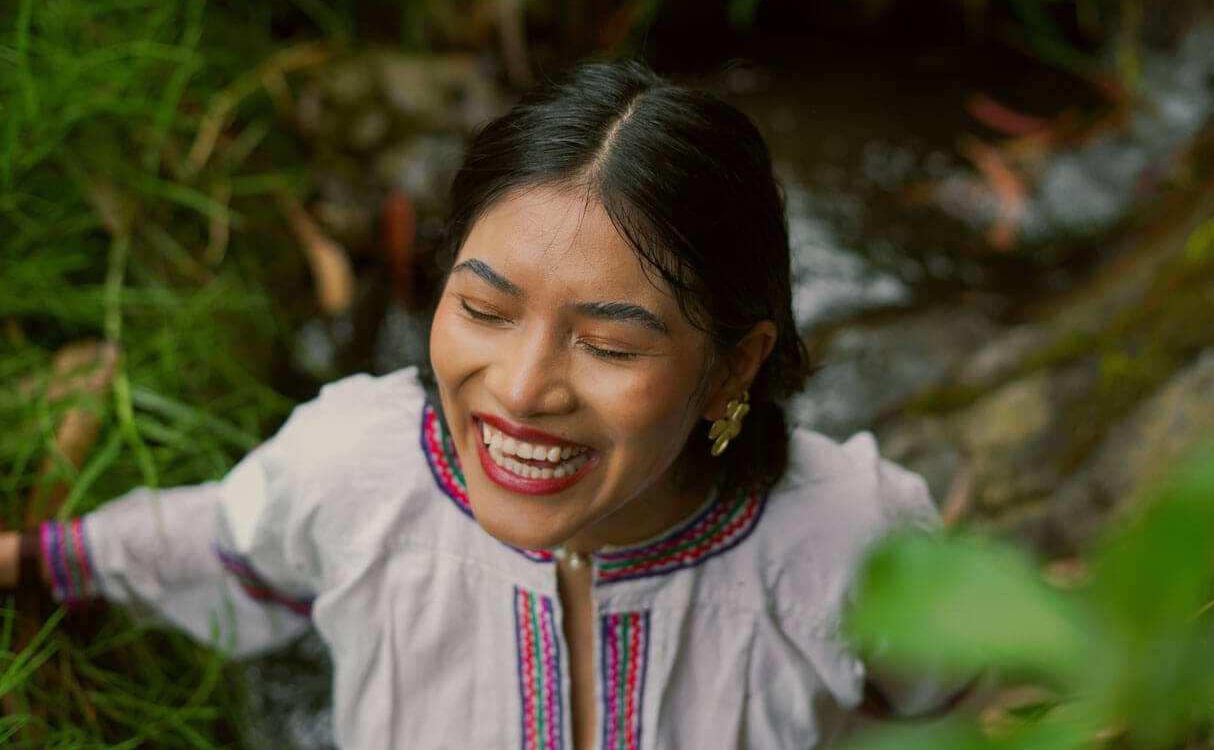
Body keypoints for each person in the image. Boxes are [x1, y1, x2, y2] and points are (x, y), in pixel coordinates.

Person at [1, 59, 957, 748]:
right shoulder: (358, 472)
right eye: (484, 309)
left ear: (735, 365)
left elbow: (937, 700)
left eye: (610, 343)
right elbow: (229, 542)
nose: (520, 388)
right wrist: (45, 559)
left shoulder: (851, 542)